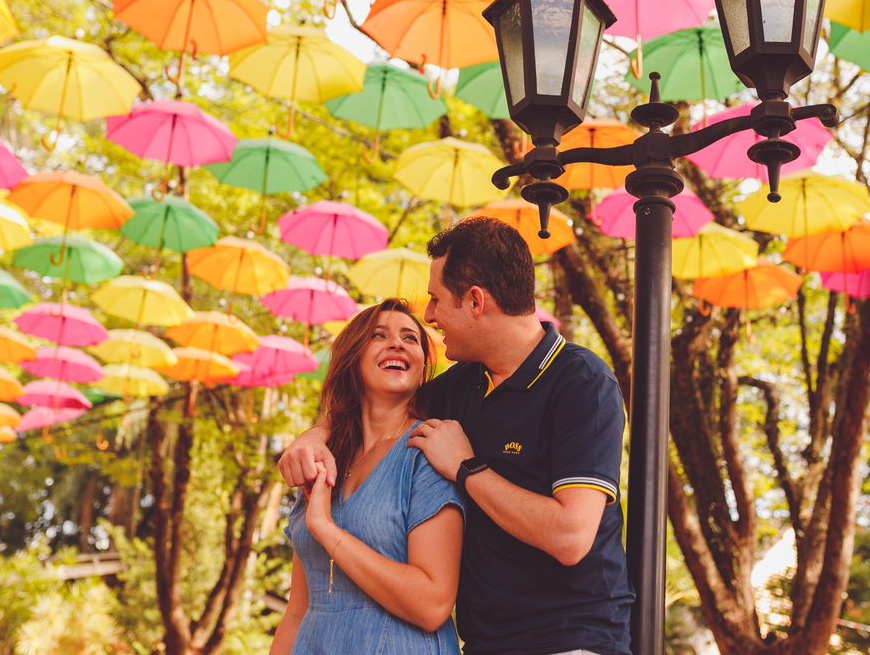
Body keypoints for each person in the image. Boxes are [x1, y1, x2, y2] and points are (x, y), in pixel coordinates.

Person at [279, 217, 632, 655]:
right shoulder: (463, 384)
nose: (429, 315)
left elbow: (570, 537)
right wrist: (312, 438)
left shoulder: (582, 382)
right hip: (484, 644)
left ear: (476, 301)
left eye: (436, 299)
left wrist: (467, 468)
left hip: (571, 639)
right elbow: (377, 404)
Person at [270, 299, 465, 655]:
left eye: (410, 338)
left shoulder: (428, 451)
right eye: (379, 335)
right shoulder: (324, 457)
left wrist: (327, 529)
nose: (397, 344)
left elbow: (433, 604)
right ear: (352, 358)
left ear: (423, 367)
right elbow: (298, 609)